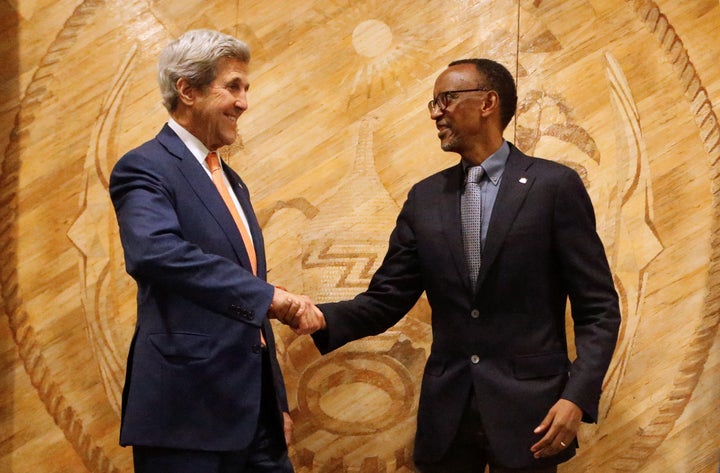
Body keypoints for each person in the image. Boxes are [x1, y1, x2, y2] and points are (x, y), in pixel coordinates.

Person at [310, 59, 621, 472]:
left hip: (533, 417)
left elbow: (598, 308)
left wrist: (576, 398)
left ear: (488, 102)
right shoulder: (425, 198)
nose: (436, 112)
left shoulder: (553, 186)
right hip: (448, 417)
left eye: (447, 99)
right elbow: (386, 299)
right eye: (433, 103)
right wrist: (312, 316)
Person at [109, 29, 323, 473]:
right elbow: (155, 252)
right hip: (186, 417)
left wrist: (274, 402)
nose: (244, 102)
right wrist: (274, 298)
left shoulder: (229, 178)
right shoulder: (144, 167)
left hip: (253, 416)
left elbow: (246, 298)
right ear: (187, 90)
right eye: (233, 87)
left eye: (246, 88)